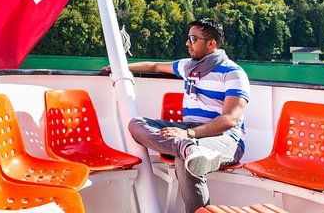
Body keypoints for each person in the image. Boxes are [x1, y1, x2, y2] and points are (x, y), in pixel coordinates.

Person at [103, 18, 250, 213]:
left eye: (193, 39)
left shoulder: (232, 73)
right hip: (189, 131)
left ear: (211, 43)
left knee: (187, 159)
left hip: (226, 138)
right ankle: (187, 148)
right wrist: (120, 69)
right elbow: (154, 67)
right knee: (136, 124)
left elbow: (230, 119)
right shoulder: (188, 67)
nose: (187, 43)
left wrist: (189, 136)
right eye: (188, 38)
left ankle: (188, 150)